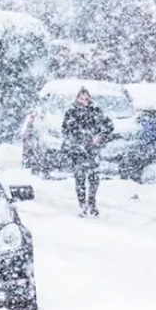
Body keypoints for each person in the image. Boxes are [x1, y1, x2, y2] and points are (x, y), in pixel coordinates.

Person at [62, 88, 114, 217]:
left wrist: (100, 136)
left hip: (92, 150)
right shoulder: (71, 112)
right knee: (80, 178)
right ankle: (82, 205)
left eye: (86, 99)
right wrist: (75, 141)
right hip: (78, 150)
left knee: (94, 178)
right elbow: (65, 130)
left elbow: (109, 126)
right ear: (77, 99)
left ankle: (91, 202)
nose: (84, 102)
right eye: (81, 99)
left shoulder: (96, 111)